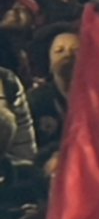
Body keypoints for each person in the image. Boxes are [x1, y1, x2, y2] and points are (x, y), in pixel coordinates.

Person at [27, 24, 78, 164]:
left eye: (75, 50)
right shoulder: (35, 100)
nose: (67, 55)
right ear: (49, 61)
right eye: (59, 51)